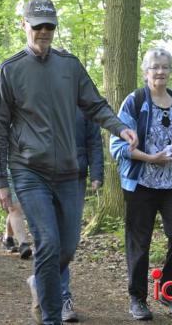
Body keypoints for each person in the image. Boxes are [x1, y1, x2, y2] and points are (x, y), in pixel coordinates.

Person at [0, 0, 138, 324]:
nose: (44, 32)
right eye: (37, 25)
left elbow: (96, 105)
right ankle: (51, 317)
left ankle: (40, 283)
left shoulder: (69, 67)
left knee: (67, 248)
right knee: (48, 243)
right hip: (29, 171)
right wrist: (0, 180)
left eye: (49, 26)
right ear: (24, 26)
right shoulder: (10, 69)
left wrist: (120, 128)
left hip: (70, 173)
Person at [110, 47, 172, 321]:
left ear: (171, 70)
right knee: (140, 242)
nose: (160, 72)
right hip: (141, 184)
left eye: (165, 67)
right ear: (145, 71)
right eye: (155, 67)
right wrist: (149, 157)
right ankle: (137, 298)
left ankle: (167, 289)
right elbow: (117, 145)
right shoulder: (134, 101)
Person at [59, 109, 104, 322]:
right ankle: (61, 297)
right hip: (42, 176)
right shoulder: (42, 92)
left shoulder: (84, 103)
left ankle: (42, 282)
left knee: (69, 243)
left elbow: (94, 140)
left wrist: (96, 173)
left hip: (75, 176)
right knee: (51, 238)